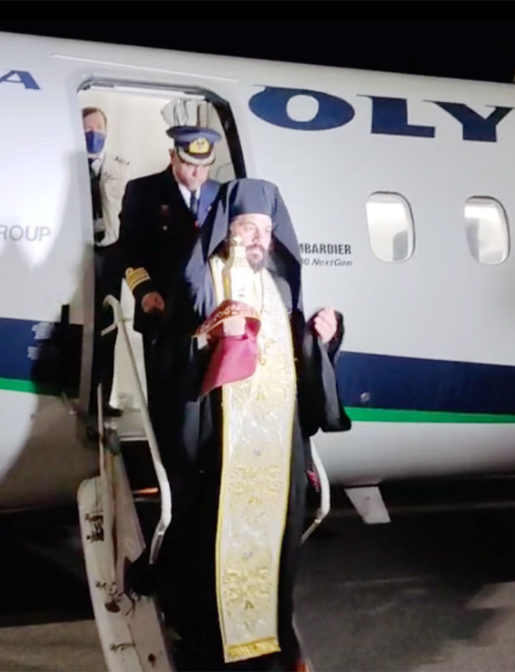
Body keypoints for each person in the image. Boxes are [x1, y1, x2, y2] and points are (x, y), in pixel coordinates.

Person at [147, 178, 352, 671]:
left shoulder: (279, 286)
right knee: (212, 551)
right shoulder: (204, 278)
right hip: (221, 447)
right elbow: (172, 348)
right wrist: (206, 338)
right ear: (227, 228)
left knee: (275, 552)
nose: (259, 238)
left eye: (266, 229)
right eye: (248, 227)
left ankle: (273, 647)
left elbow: (299, 358)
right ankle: (212, 654)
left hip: (278, 448)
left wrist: (324, 337)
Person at [118, 124, 222, 416]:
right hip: (161, 312)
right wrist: (144, 292)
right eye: (189, 163)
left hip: (208, 315)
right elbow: (129, 250)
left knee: (205, 404)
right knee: (165, 404)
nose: (197, 173)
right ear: (172, 156)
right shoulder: (143, 191)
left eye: (204, 165)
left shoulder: (219, 194)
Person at [84, 106, 129, 417]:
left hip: (110, 253)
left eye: (98, 128)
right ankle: (82, 398)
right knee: (81, 327)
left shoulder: (118, 168)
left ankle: (102, 400)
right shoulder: (68, 166)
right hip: (79, 253)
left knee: (108, 326)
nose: (93, 134)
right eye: (87, 129)